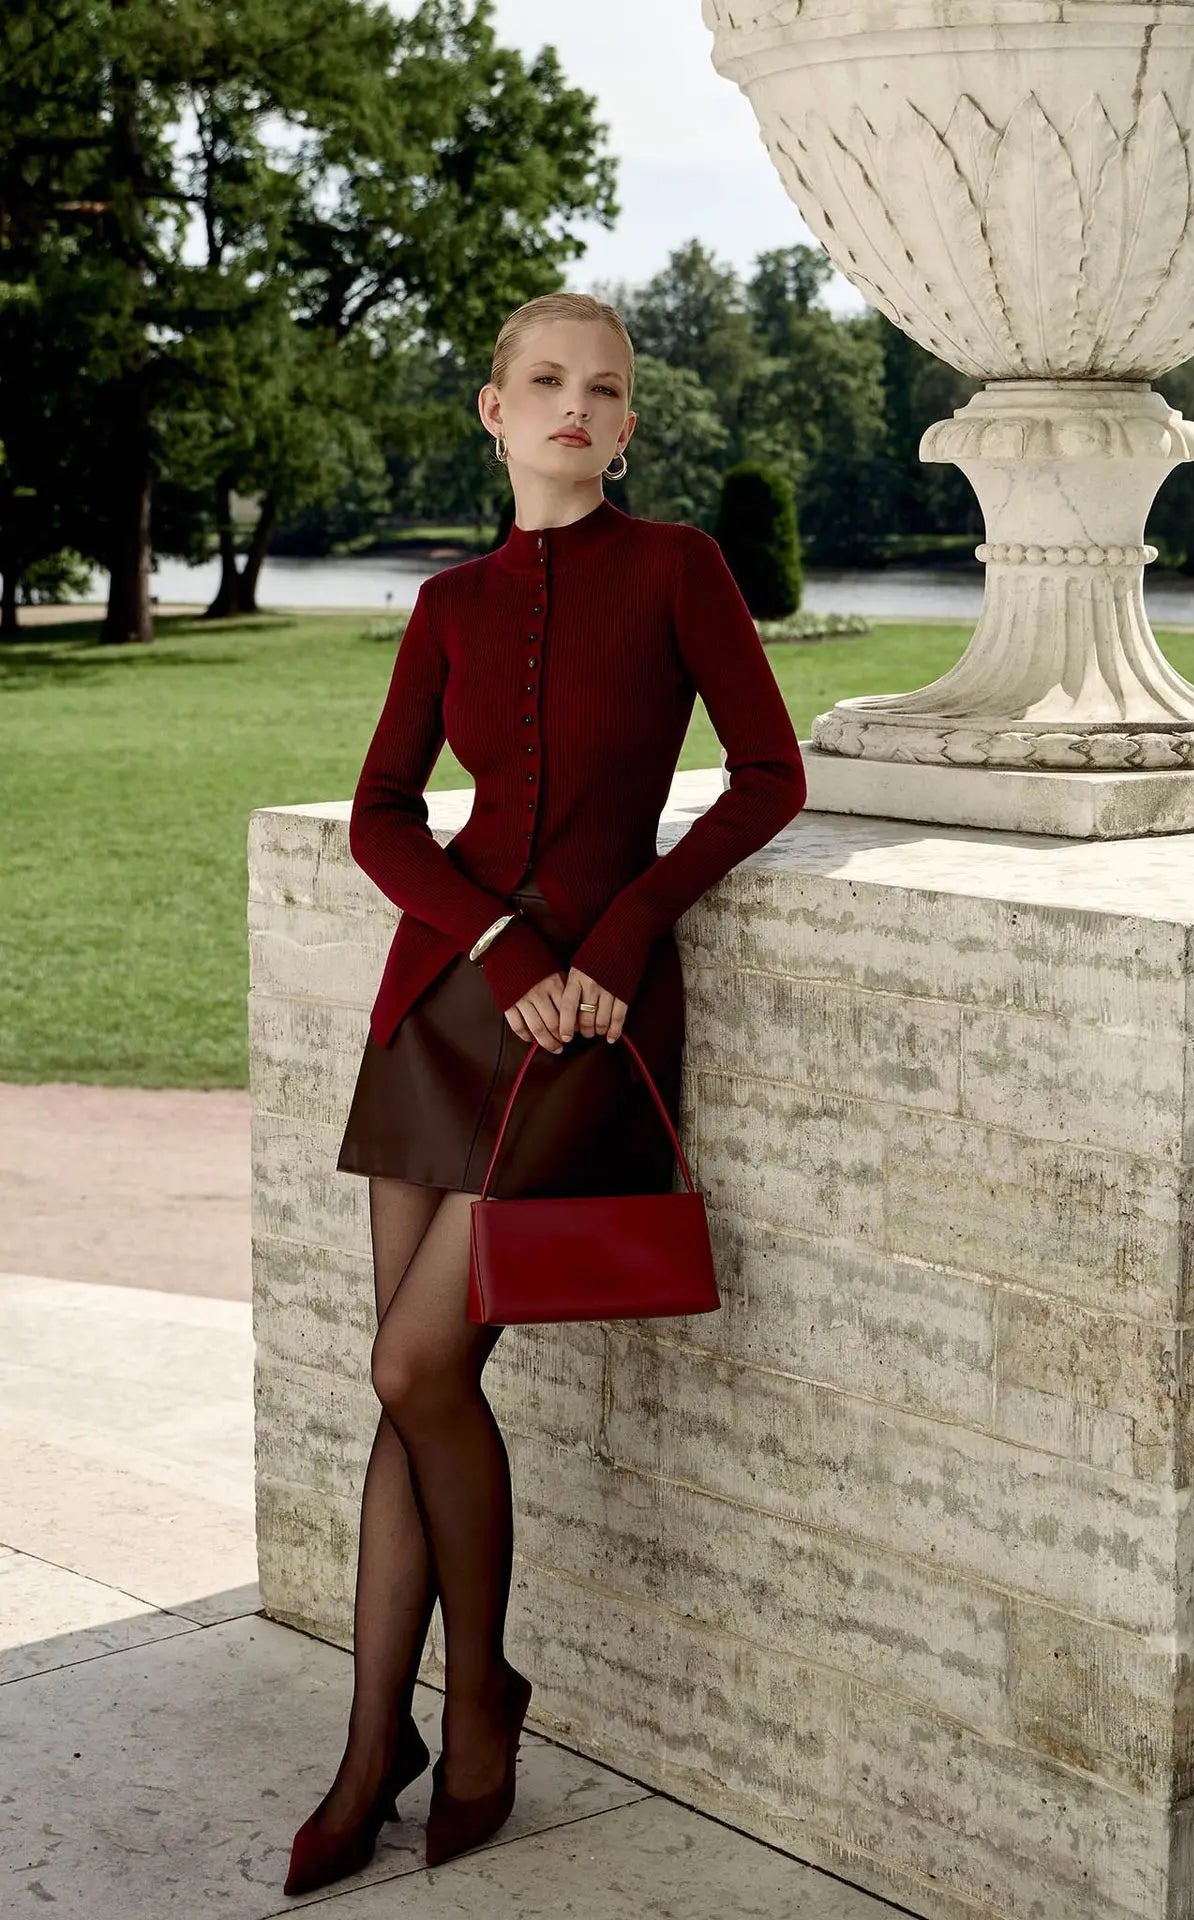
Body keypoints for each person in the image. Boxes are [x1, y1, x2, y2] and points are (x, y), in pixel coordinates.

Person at [282, 291, 808, 1896]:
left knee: (419, 1354)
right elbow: (383, 818)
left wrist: (627, 929)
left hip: (592, 1021)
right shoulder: (448, 600)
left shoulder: (679, 570)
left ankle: (485, 1698)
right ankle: (381, 1741)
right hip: (448, 1005)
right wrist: (500, 943)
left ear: (628, 426)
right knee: (404, 1381)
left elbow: (772, 775)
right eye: (547, 382)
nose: (577, 405)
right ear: (495, 410)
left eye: (607, 389)